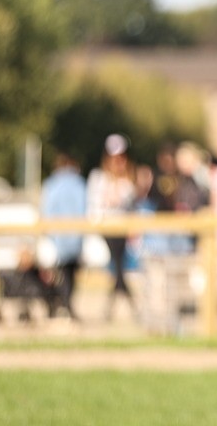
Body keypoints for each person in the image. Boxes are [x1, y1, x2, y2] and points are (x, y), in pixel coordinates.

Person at [87, 133, 137, 320]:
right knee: (118, 267)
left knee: (118, 267)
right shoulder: (98, 178)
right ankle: (131, 304)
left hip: (122, 229)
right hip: (107, 229)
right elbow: (95, 205)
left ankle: (111, 307)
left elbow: (127, 203)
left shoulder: (129, 179)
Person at [40, 151, 87, 320]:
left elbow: (47, 209)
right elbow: (83, 210)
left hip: (57, 237)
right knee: (70, 275)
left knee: (56, 275)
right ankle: (66, 305)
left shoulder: (51, 184)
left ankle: (62, 305)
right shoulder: (79, 184)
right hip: (74, 237)